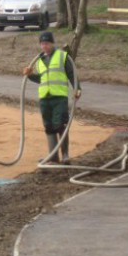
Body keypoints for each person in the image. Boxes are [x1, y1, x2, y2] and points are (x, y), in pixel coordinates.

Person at [23, 31, 81, 165]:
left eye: (47, 43)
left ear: (52, 43)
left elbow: (72, 74)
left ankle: (65, 155)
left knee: (60, 125)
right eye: (42, 44)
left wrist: (77, 89)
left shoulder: (62, 56)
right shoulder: (38, 60)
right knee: (49, 126)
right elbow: (42, 78)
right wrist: (30, 75)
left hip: (59, 97)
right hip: (45, 98)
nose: (45, 46)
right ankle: (53, 156)